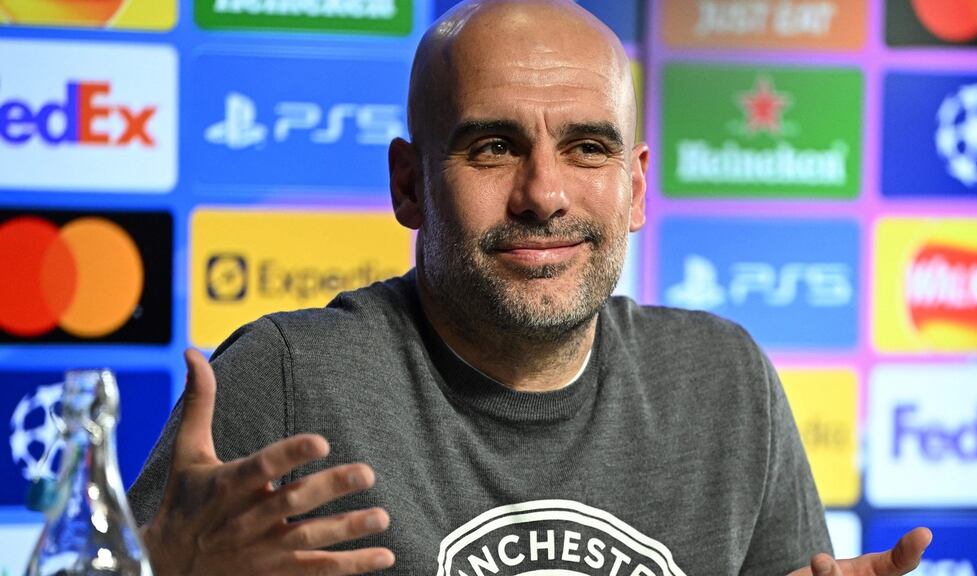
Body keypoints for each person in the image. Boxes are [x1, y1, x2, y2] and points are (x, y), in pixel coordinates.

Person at [127, 1, 932, 574]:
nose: (543, 193)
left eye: (587, 147)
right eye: (493, 147)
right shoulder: (292, 378)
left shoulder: (722, 379)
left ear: (637, 187)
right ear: (408, 185)